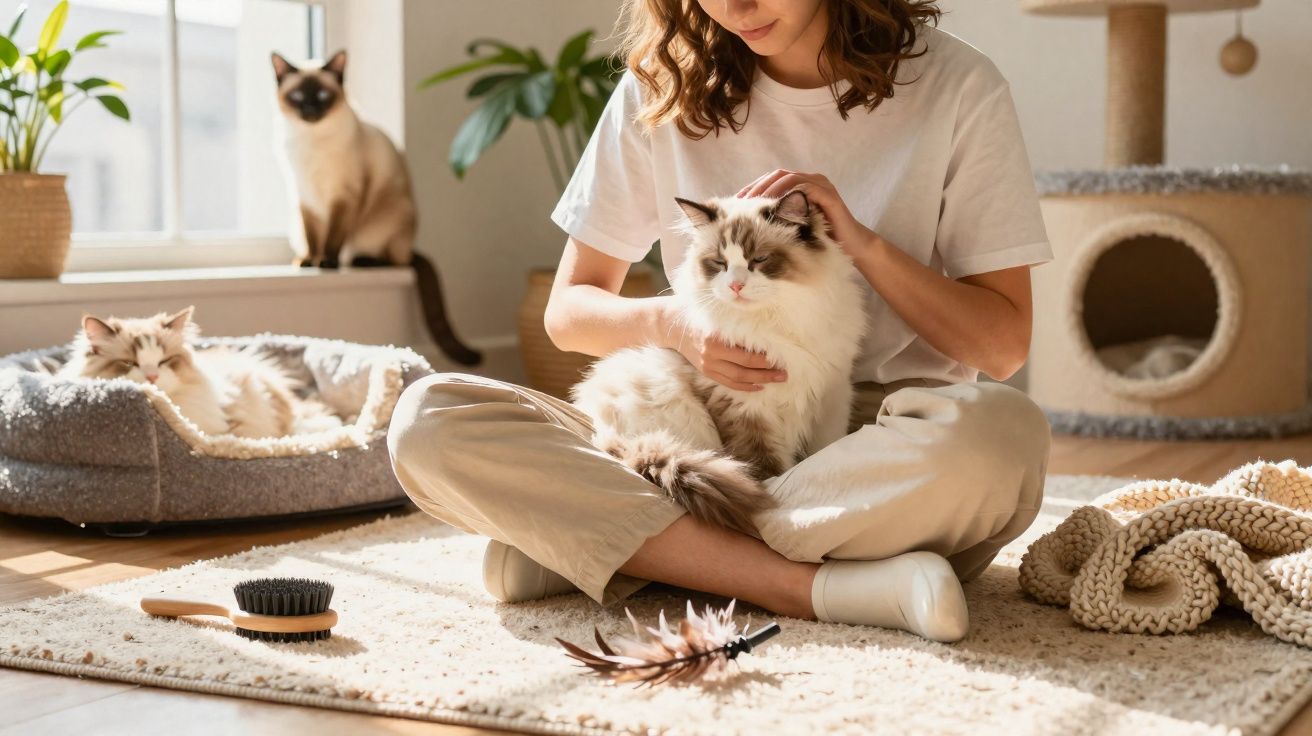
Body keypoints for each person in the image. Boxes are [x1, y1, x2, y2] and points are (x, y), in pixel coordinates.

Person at [388, 0, 1053, 643]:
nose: (734, 5)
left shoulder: (958, 87)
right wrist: (681, 328)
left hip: (876, 438)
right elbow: (569, 312)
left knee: (1005, 440)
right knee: (428, 422)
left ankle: (621, 545)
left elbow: (999, 348)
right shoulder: (663, 88)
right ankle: (812, 585)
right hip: (706, 425)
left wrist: (858, 240)